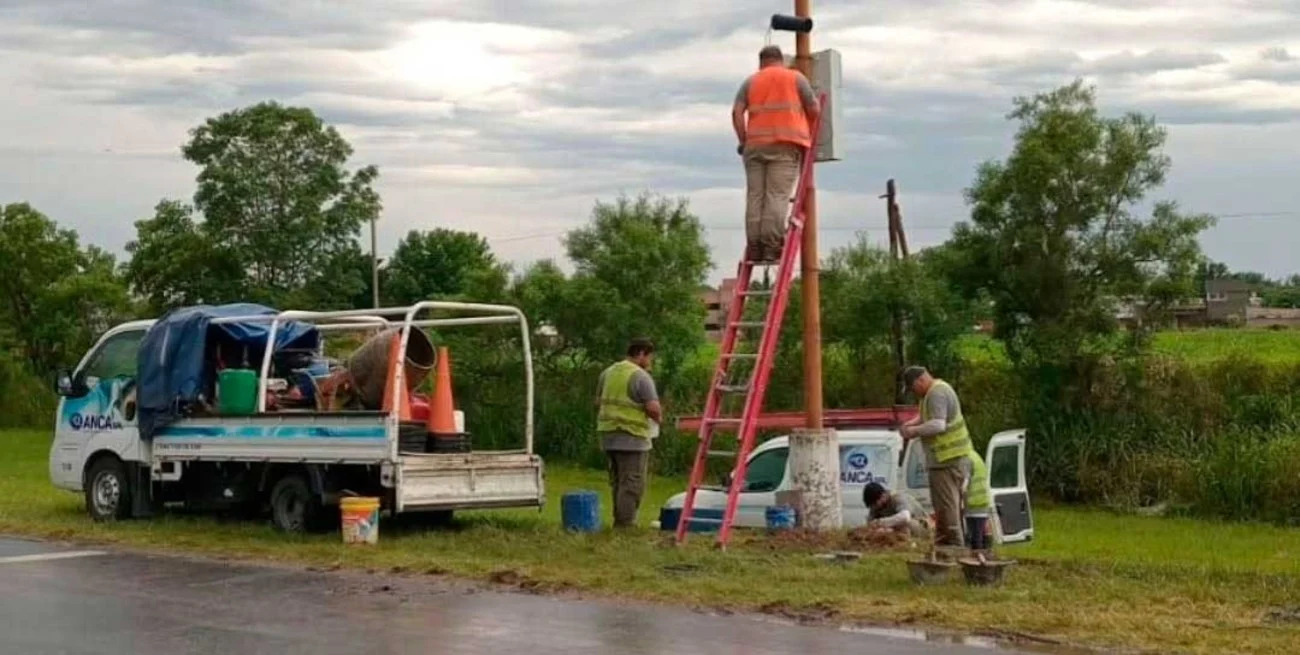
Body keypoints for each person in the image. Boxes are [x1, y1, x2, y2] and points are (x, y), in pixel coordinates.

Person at [731, 45, 820, 263]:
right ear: (781, 60)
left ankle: (755, 247)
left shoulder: (750, 82)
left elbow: (736, 112)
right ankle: (771, 247)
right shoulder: (796, 78)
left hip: (754, 146)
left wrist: (743, 141)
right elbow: (815, 109)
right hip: (785, 144)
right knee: (776, 196)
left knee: (755, 197)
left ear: (761, 62)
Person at [899, 365, 973, 548]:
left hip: (948, 460)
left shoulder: (937, 393)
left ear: (921, 380)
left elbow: (938, 424)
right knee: (942, 509)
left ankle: (955, 548)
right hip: (943, 461)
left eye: (913, 388)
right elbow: (926, 417)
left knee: (948, 510)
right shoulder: (929, 395)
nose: (914, 393)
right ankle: (944, 546)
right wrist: (909, 424)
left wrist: (913, 431)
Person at [595, 339, 662, 528]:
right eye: (649, 357)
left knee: (618, 481)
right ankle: (625, 524)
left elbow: (598, 402)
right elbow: (653, 408)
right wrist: (659, 420)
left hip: (608, 434)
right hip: (632, 437)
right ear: (641, 354)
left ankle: (620, 519)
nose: (650, 361)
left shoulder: (607, 373)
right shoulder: (640, 376)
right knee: (632, 483)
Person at [862, 482, 931, 539]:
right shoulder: (876, 507)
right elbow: (870, 524)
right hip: (902, 528)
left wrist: (880, 522)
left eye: (875, 504)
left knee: (903, 525)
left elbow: (905, 517)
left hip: (921, 525)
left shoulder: (898, 497)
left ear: (882, 496)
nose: (874, 507)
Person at [961, 450, 993, 552]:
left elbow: (965, 483)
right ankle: (983, 554)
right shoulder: (976, 457)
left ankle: (978, 557)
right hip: (982, 503)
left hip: (973, 505)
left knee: (974, 538)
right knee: (980, 535)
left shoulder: (966, 459)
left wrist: (960, 494)